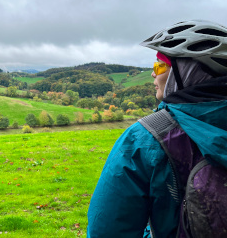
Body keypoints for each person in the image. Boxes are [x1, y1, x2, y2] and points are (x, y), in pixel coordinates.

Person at [86, 20, 227, 237]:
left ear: (186, 72)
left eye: (159, 65)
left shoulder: (147, 138)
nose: (153, 74)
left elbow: (107, 230)